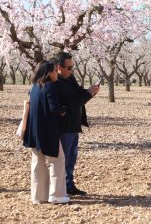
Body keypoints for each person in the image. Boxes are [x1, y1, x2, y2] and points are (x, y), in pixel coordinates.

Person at [22, 60, 70, 204]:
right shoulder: (50, 87)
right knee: (57, 161)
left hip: (34, 132)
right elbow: (55, 107)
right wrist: (65, 110)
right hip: (48, 131)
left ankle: (38, 196)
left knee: (38, 163)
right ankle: (57, 195)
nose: (57, 73)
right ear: (49, 72)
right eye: (55, 71)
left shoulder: (34, 87)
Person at [55, 52, 99, 196]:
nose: (71, 70)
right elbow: (72, 101)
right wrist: (88, 94)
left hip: (74, 124)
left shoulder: (70, 78)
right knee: (64, 159)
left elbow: (77, 94)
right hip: (64, 126)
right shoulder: (57, 82)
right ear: (59, 67)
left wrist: (88, 91)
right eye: (68, 68)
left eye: (72, 67)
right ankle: (60, 188)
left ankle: (69, 185)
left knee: (71, 158)